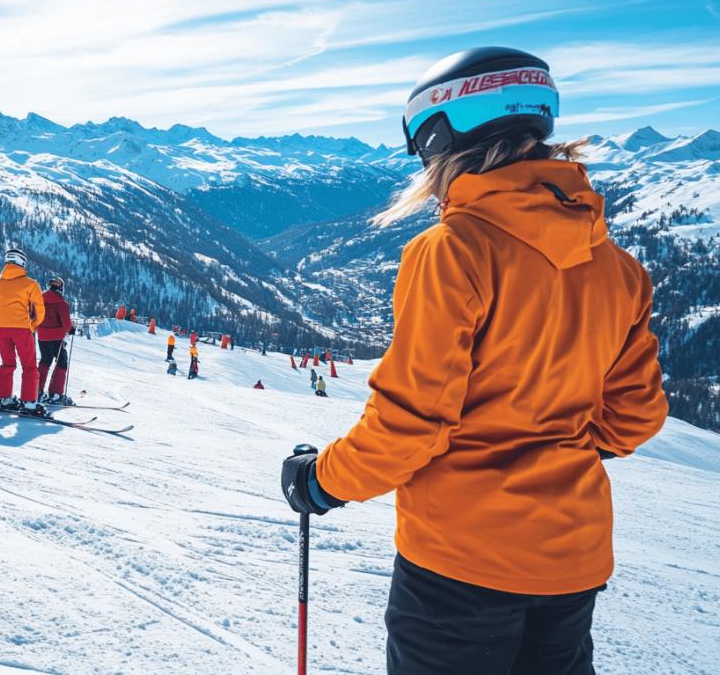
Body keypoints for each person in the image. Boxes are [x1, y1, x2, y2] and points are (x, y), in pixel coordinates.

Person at [280, 47, 669, 674]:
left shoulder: (453, 250)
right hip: (573, 555)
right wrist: (552, 453)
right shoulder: (618, 267)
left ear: (442, 135)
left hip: (461, 563)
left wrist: (321, 481)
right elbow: (636, 417)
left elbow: (409, 425)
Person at [0, 248, 46, 416]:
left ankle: (4, 398)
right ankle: (29, 403)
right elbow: (40, 310)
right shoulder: (30, 284)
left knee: (7, 364)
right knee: (29, 366)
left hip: (2, 329)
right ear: (22, 263)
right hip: (22, 328)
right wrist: (32, 325)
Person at [35, 276, 76, 405]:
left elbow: (34, 317)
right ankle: (55, 394)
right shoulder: (61, 303)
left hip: (42, 336)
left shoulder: (39, 300)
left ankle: (37, 391)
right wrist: (71, 328)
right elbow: (66, 324)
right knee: (62, 362)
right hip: (57, 337)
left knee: (45, 361)